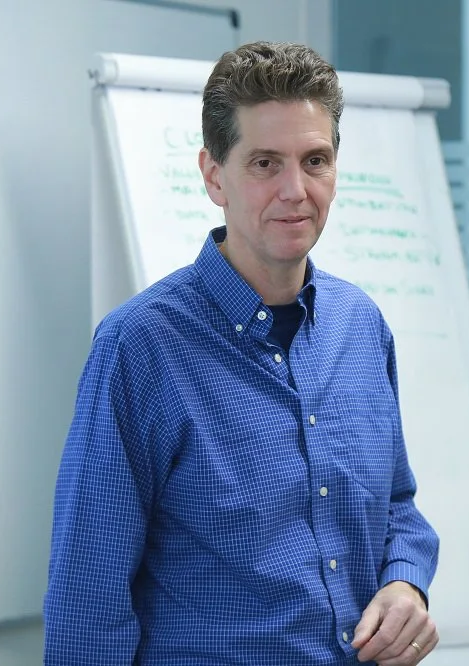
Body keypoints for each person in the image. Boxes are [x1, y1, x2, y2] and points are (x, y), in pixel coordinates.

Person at [43, 41, 440, 665]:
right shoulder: (140, 347)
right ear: (212, 175)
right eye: (264, 163)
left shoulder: (360, 328)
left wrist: (404, 580)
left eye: (316, 160)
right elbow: (88, 598)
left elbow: (397, 507)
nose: (295, 190)